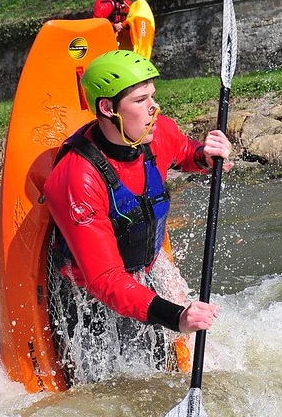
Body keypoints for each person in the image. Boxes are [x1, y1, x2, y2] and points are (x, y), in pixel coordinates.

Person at [43, 50, 233, 385]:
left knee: (161, 374)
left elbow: (184, 151)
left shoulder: (154, 134)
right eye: (141, 100)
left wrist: (205, 156)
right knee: (116, 389)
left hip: (142, 273)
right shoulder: (78, 178)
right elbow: (104, 279)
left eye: (153, 97)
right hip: (87, 295)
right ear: (108, 108)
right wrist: (177, 316)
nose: (153, 108)